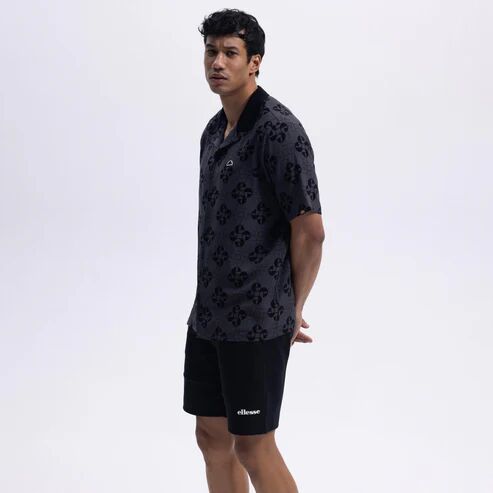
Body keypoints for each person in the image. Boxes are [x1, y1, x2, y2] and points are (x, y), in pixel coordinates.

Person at [183, 8, 325, 493]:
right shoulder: (213, 130)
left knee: (253, 445)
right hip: (208, 316)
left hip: (256, 319)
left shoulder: (279, 131)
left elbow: (310, 230)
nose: (217, 63)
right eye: (211, 52)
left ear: (255, 62)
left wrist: (293, 307)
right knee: (210, 436)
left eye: (230, 52)